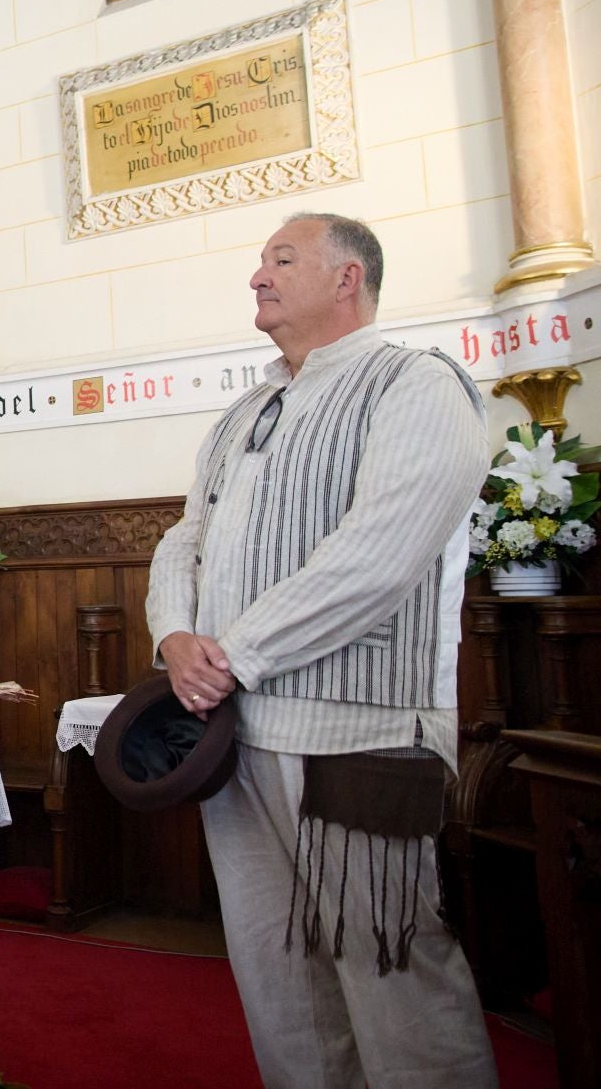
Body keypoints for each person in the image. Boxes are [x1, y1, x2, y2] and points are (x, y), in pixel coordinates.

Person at [145, 214, 497, 1086]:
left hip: (355, 733)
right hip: (238, 736)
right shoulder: (247, 409)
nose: (256, 277)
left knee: (391, 971)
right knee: (277, 974)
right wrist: (173, 635)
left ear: (348, 279)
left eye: (282, 260)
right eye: (262, 261)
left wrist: (233, 652)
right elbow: (184, 539)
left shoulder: (415, 383)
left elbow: (381, 551)